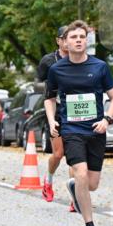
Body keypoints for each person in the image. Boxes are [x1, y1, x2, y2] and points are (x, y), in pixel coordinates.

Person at [44, 20, 113, 226]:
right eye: (73, 37)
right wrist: (51, 121)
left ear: (86, 40)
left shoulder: (99, 67)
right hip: (71, 129)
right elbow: (49, 99)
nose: (78, 40)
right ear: (65, 43)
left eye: (81, 37)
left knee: (92, 183)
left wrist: (107, 118)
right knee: (80, 173)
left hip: (96, 130)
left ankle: (76, 188)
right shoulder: (56, 69)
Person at [36, 26, 70, 204]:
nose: (68, 41)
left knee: (75, 154)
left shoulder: (81, 59)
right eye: (64, 38)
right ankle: (48, 181)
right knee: (58, 154)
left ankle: (76, 197)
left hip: (74, 112)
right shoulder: (48, 61)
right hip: (55, 111)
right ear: (58, 41)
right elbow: (40, 84)